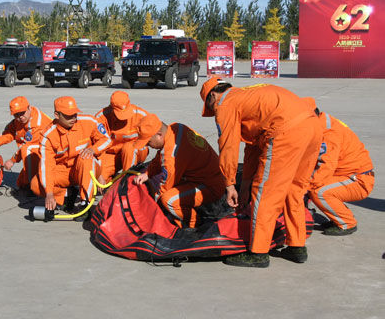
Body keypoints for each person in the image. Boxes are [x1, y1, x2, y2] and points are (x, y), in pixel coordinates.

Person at [200, 77, 323, 267]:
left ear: (213, 96)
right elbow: (252, 149)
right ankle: (297, 246)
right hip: (312, 127)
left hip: (285, 130)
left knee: (265, 193)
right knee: (294, 190)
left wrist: (229, 184)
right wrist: (244, 186)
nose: (214, 112)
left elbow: (228, 146)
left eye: (211, 107)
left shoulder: (225, 103)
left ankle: (258, 252)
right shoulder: (248, 96)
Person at [132, 113, 226, 228]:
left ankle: (194, 225)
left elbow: (164, 188)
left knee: (168, 200)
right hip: (209, 174)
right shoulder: (176, 128)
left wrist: (151, 209)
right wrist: (148, 173)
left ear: (159, 135)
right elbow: (161, 155)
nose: (148, 146)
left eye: (148, 142)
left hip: (211, 185)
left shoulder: (173, 155)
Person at [30, 96, 112, 211]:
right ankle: (67, 194)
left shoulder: (89, 122)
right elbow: (46, 166)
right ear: (57, 115)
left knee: (86, 157)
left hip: (87, 168)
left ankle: (86, 203)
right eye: (68, 116)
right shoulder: (48, 136)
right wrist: (49, 193)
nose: (73, 118)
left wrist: (93, 150)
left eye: (75, 114)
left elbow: (107, 140)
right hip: (64, 171)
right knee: (36, 184)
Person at [308, 110, 374, 235]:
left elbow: (327, 165)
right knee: (314, 185)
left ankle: (347, 223)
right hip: (348, 174)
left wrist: (307, 186)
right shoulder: (325, 123)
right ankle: (338, 216)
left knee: (319, 192)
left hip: (358, 180)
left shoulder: (328, 134)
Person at [0, 96, 52, 192]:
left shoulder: (38, 124)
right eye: (16, 115)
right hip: (37, 152)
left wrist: (12, 161)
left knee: (28, 150)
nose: (20, 117)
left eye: (22, 113)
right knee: (21, 183)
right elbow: (9, 132)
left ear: (29, 108)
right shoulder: (19, 120)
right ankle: (30, 182)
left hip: (50, 154)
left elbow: (26, 146)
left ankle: (33, 185)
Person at [95, 91, 149, 183]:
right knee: (99, 179)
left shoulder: (141, 115)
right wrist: (99, 174)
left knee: (129, 148)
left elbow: (157, 136)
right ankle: (117, 179)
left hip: (135, 151)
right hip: (112, 153)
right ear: (112, 108)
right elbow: (95, 145)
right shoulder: (101, 118)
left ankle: (127, 181)